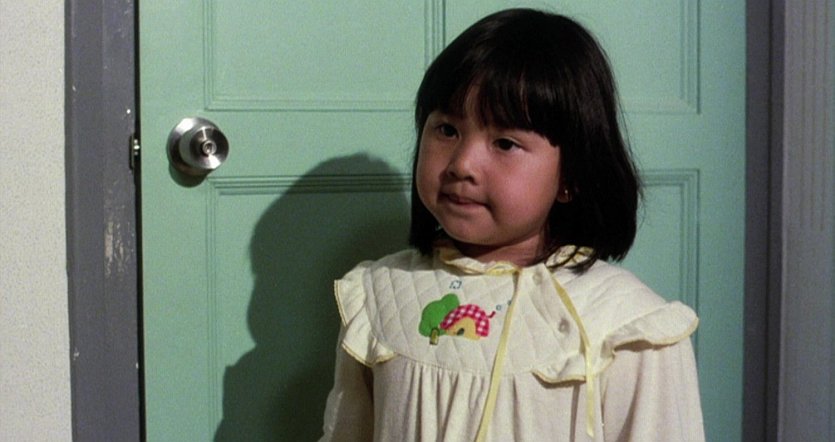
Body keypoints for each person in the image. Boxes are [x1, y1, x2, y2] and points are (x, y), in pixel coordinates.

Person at [319, 8, 704, 441]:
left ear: (572, 176)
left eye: (505, 143)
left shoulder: (626, 327)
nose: (462, 164)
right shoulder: (379, 294)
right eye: (446, 130)